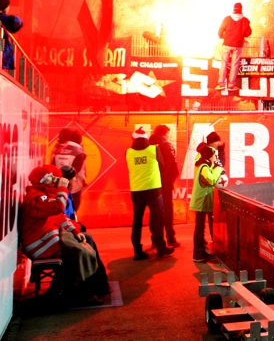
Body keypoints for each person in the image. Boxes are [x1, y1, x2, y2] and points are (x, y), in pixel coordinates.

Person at [20, 164, 109, 305]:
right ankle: (83, 294)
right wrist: (62, 188)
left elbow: (59, 217)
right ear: (43, 180)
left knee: (85, 244)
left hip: (47, 238)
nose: (56, 180)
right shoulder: (36, 197)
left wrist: (75, 231)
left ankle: (95, 287)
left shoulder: (43, 195)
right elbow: (58, 207)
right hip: (39, 245)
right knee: (79, 251)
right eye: (51, 177)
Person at [126, 126, 173, 260]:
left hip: (137, 191)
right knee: (158, 220)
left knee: (137, 222)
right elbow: (162, 166)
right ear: (146, 138)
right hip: (154, 190)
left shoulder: (128, 153)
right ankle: (160, 249)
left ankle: (137, 251)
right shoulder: (154, 149)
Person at [190, 143, 225, 262]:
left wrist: (216, 168)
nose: (216, 157)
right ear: (209, 156)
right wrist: (219, 169)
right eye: (214, 155)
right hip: (200, 202)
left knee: (200, 228)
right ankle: (197, 253)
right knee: (199, 228)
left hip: (203, 203)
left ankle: (201, 251)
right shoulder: (203, 167)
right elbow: (211, 180)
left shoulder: (206, 166)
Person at [149, 124, 180, 247]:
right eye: (168, 133)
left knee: (155, 212)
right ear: (164, 133)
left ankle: (155, 240)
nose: (168, 136)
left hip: (151, 183)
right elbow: (173, 165)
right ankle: (170, 239)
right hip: (165, 183)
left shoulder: (148, 146)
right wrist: (170, 180)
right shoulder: (166, 145)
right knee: (167, 211)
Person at [51, 128, 87, 217]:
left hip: (59, 185)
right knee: (72, 209)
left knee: (61, 207)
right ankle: (70, 227)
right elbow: (76, 171)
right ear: (80, 140)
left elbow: (53, 167)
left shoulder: (58, 150)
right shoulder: (79, 153)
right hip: (74, 187)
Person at [217, 2, 252, 91]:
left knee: (224, 63)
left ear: (233, 9)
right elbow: (248, 33)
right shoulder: (245, 21)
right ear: (241, 9)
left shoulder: (227, 19)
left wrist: (222, 36)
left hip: (227, 44)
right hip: (238, 45)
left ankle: (221, 83)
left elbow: (220, 31)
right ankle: (231, 85)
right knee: (235, 64)